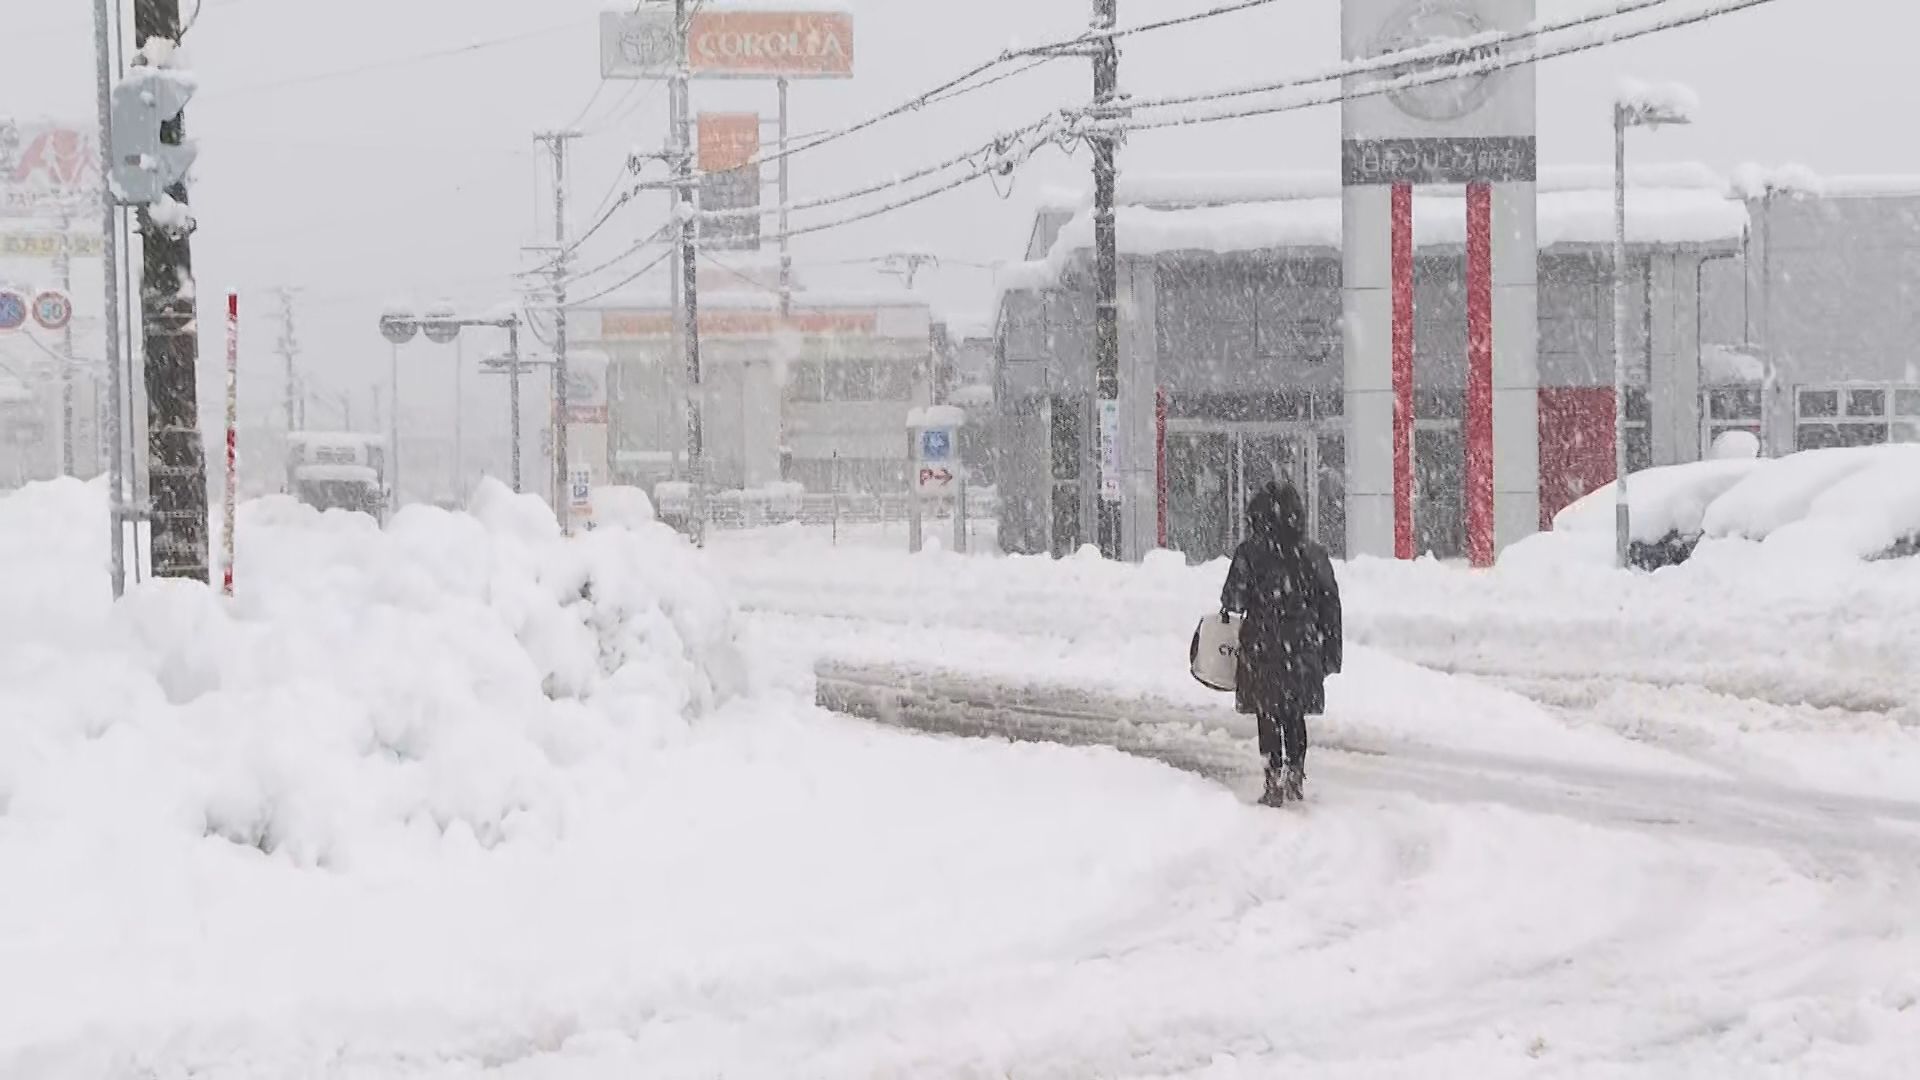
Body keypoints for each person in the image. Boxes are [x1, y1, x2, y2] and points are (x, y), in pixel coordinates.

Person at [1220, 481, 1343, 806]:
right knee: (1294, 715)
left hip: (1262, 647)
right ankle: (1295, 775)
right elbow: (1330, 604)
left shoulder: (1250, 552)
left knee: (1268, 716)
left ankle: (1272, 779)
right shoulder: (1312, 553)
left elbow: (1232, 599)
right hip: (1302, 647)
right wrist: (1331, 653)